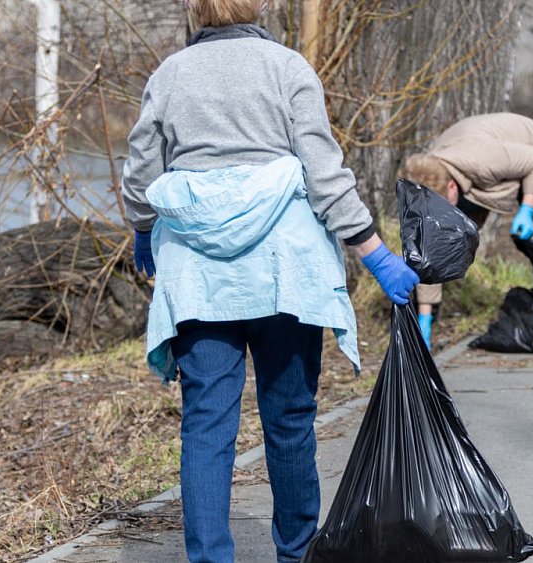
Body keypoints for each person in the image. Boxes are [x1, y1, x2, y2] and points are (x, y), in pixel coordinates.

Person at [120, 1, 419, 562]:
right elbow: (324, 175)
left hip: (199, 277)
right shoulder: (287, 68)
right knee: (289, 420)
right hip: (285, 271)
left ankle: (210, 558)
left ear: (194, 9)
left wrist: (143, 227)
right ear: (257, 4)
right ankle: (298, 554)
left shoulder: (169, 75)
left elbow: (140, 174)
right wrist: (375, 253)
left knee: (206, 425)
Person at [402, 112, 533, 349]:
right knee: (437, 242)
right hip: (477, 167)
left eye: (442, 207)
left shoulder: (483, 160)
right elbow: (431, 251)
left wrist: (527, 210)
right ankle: (426, 320)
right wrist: (425, 317)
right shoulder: (429, 180)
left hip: (530, 147)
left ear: (451, 186)